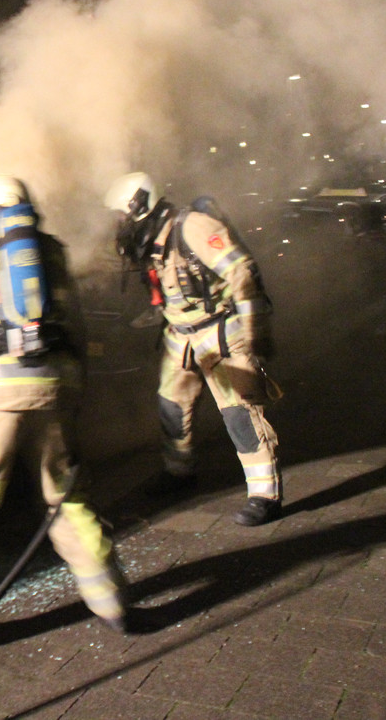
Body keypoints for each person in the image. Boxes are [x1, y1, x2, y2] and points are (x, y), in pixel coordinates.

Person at [0, 176, 127, 651]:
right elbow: (76, 330)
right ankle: (112, 600)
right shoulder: (52, 254)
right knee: (67, 499)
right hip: (55, 393)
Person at [102, 171, 283, 526]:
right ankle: (179, 473)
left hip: (221, 333)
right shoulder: (152, 236)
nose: (120, 223)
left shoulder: (194, 227)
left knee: (239, 413)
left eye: (122, 215)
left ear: (140, 206)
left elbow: (242, 273)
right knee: (172, 405)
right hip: (180, 334)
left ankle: (265, 494)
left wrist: (255, 333)